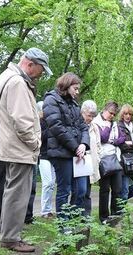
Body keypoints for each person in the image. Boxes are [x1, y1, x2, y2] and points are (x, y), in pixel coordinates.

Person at [0, 48, 52, 252]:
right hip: (20, 147)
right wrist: (35, 142)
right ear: (30, 64)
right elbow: (22, 119)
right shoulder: (18, 82)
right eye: (41, 69)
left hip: (14, 145)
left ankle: (10, 234)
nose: (41, 74)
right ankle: (10, 237)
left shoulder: (8, 76)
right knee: (18, 194)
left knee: (13, 191)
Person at [43, 73, 90, 222]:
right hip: (61, 153)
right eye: (75, 88)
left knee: (81, 190)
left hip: (77, 154)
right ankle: (63, 226)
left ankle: (73, 220)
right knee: (64, 190)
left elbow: (83, 127)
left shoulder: (74, 104)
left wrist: (83, 144)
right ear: (67, 85)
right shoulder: (51, 100)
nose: (77, 92)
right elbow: (56, 127)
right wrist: (76, 147)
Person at [92, 102, 126, 223]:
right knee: (105, 190)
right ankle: (104, 217)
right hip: (103, 159)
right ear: (104, 110)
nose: (112, 116)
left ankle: (115, 214)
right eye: (110, 113)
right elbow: (103, 138)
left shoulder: (115, 124)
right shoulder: (96, 122)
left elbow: (122, 138)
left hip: (115, 158)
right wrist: (107, 125)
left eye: (114, 114)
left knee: (117, 189)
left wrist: (114, 141)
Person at [37, 101, 57, 218]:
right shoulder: (38, 123)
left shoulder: (53, 121)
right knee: (47, 182)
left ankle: (48, 209)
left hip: (53, 155)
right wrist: (50, 129)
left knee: (52, 184)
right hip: (43, 155)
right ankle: (44, 211)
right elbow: (41, 137)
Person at [81, 100, 98, 216]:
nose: (91, 118)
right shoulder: (76, 124)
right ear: (82, 112)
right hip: (78, 162)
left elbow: (98, 145)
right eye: (89, 115)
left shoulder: (94, 127)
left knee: (87, 191)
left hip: (89, 163)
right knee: (79, 191)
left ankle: (86, 217)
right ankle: (75, 216)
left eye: (93, 116)